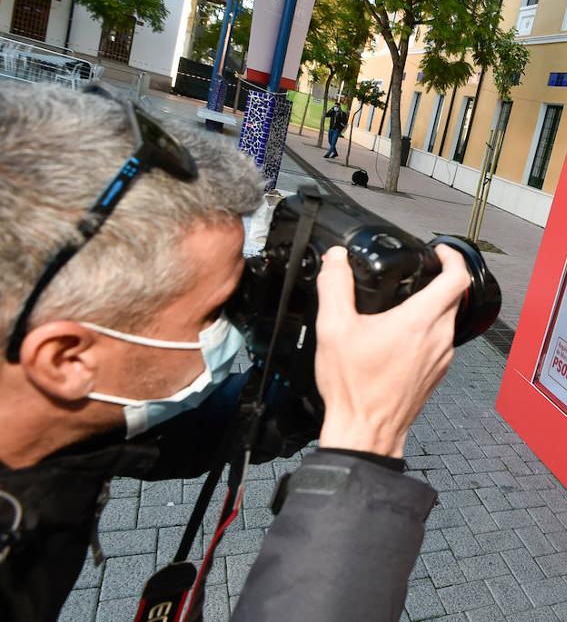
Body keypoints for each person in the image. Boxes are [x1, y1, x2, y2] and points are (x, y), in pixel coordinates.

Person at [0, 84, 472, 621]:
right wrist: (366, 439)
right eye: (216, 309)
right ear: (66, 359)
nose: (238, 316)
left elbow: (200, 433)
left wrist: (326, 389)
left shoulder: (59, 423)